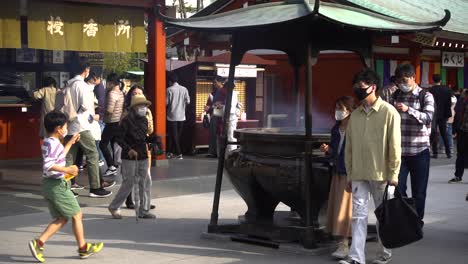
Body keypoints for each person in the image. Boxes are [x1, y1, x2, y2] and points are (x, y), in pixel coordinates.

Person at [340, 68, 401, 264]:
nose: (358, 91)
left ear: (373, 87)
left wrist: (394, 174)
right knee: (358, 216)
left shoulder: (389, 112)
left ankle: (385, 253)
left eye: (361, 87)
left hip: (382, 173)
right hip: (358, 173)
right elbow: (349, 147)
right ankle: (356, 256)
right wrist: (349, 174)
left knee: (383, 215)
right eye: (355, 87)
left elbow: (395, 146)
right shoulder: (355, 115)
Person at [28, 111, 103, 263]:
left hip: (51, 185)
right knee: (77, 215)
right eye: (65, 126)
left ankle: (39, 243)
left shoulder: (50, 142)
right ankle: (83, 248)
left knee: (62, 218)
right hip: (57, 186)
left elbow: (58, 156)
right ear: (58, 128)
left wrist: (70, 143)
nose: (67, 128)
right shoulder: (52, 143)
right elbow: (49, 165)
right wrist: (68, 170)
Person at [65, 58, 111, 198]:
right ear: (86, 70)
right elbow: (87, 107)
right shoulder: (82, 86)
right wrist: (94, 116)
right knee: (92, 154)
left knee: (69, 157)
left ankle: (66, 187)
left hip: (69, 124)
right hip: (82, 125)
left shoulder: (69, 85)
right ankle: (95, 187)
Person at [393, 63, 434, 220]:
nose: (402, 84)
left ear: (413, 77)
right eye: (399, 81)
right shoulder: (396, 95)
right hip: (399, 151)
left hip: (419, 151)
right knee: (398, 188)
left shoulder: (426, 96)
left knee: (419, 191)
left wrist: (408, 110)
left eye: (404, 80)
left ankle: (417, 221)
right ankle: (406, 218)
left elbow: (428, 117)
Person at [108, 94, 155, 219]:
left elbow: (145, 137)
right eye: (141, 105)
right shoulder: (126, 120)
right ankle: (114, 206)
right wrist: (129, 149)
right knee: (128, 182)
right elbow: (119, 138)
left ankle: (143, 210)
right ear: (134, 107)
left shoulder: (145, 119)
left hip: (142, 154)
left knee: (145, 182)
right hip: (129, 156)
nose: (143, 107)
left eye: (145, 105)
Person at [320, 96, 355, 260]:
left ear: (349, 109)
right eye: (336, 108)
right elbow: (335, 150)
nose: (338, 111)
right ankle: (343, 242)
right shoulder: (336, 128)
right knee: (337, 206)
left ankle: (344, 244)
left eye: (341, 108)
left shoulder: (355, 127)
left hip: (351, 172)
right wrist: (328, 150)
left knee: (345, 209)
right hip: (338, 171)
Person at [122, 85, 155, 210]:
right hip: (130, 147)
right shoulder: (126, 112)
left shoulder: (147, 111)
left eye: (139, 93)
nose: (137, 96)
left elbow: (151, 130)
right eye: (134, 93)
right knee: (130, 176)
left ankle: (145, 202)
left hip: (143, 146)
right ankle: (129, 200)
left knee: (145, 175)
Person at [99, 73, 124, 176]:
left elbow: (109, 110)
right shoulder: (120, 92)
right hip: (118, 122)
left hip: (111, 122)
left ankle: (111, 166)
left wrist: (100, 109)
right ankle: (115, 165)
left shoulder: (112, 93)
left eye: (108, 82)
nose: (107, 84)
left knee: (102, 144)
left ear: (111, 82)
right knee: (114, 145)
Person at [166, 72, 190, 159]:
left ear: (170, 81)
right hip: (182, 115)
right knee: (176, 135)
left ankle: (179, 153)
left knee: (174, 135)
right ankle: (169, 152)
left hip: (172, 115)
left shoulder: (169, 90)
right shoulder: (184, 89)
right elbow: (188, 101)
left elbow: (166, 102)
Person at [429, 74, 452, 158]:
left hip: (434, 114)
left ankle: (435, 153)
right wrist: (448, 114)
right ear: (440, 81)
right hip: (443, 114)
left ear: (433, 80)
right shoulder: (447, 90)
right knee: (444, 133)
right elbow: (448, 103)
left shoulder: (430, 90)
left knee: (434, 133)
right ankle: (448, 152)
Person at [448, 88, 468, 184]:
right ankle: (458, 175)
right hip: (462, 131)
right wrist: (455, 129)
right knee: (460, 154)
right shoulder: (462, 101)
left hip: (463, 130)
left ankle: (458, 175)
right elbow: (457, 115)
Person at [206, 75, 224, 158]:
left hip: (218, 115)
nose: (214, 84)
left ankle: (215, 152)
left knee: (216, 134)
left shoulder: (222, 91)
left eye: (215, 82)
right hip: (215, 114)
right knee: (213, 134)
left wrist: (211, 107)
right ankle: (213, 152)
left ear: (221, 82)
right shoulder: (217, 91)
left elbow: (220, 104)